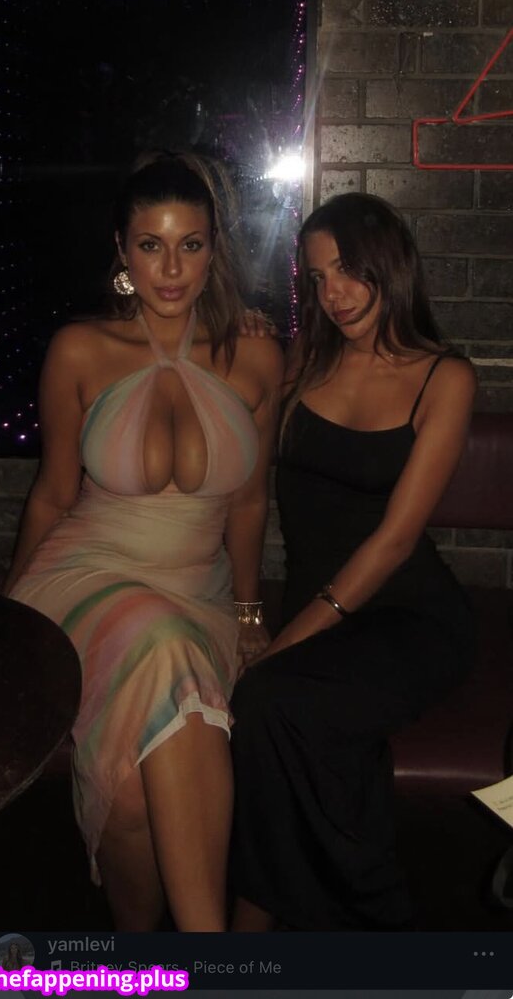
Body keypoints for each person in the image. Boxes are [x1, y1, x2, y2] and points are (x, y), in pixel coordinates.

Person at [5, 153, 283, 932]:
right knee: (162, 648)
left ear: (213, 250)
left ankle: (142, 955)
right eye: (151, 245)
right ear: (121, 251)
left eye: (190, 245)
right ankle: (210, 957)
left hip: (196, 590)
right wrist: (10, 623)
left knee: (131, 788)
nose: (170, 268)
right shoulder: (80, 349)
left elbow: (248, 501)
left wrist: (249, 611)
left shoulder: (257, 354)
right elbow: (53, 493)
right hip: (86, 576)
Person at [230, 191, 477, 932]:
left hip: (408, 613)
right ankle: (358, 923)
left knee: (270, 700)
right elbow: (226, 414)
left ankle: (280, 923)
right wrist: (240, 330)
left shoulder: (444, 378)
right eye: (318, 278)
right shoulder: (303, 361)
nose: (333, 293)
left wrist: (288, 640)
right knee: (312, 730)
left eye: (348, 270)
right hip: (322, 600)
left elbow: (395, 541)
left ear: (388, 264)